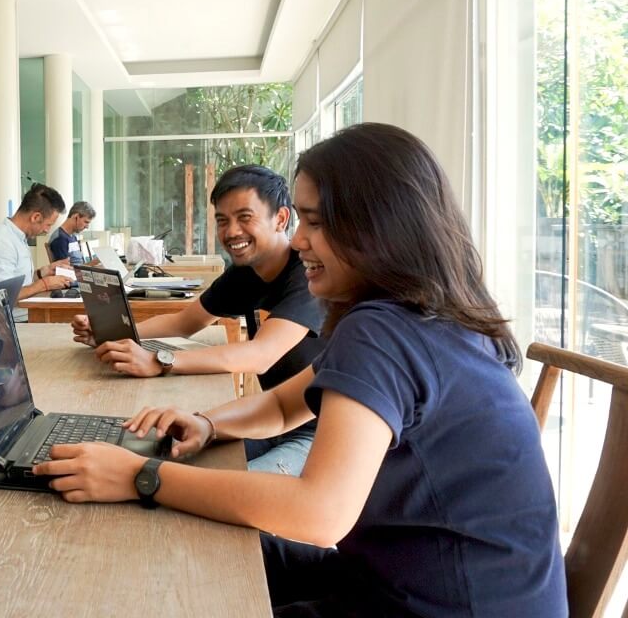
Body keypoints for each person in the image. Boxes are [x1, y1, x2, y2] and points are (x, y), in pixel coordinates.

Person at [35, 123, 565, 617]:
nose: (299, 240)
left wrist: (142, 476)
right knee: (190, 543)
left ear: (377, 225)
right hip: (405, 580)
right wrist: (210, 424)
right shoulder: (425, 315)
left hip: (431, 604)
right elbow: (288, 402)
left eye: (314, 222)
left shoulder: (383, 329)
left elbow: (320, 514)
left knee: (179, 571)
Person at [73, 165, 324, 475]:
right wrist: (110, 333)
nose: (232, 231)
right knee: (162, 453)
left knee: (216, 495)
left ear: (281, 218)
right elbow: (183, 322)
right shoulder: (245, 273)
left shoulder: (306, 275)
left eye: (245, 217)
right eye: (223, 220)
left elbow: (260, 355)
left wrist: (160, 360)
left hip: (317, 434)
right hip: (270, 418)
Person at [0, 183, 73, 322]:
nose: (47, 230)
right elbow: (1, 296)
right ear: (36, 217)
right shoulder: (2, 241)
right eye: (48, 224)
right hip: (9, 322)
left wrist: (42, 273)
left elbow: (16, 282)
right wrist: (44, 284)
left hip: (24, 314)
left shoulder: (18, 237)